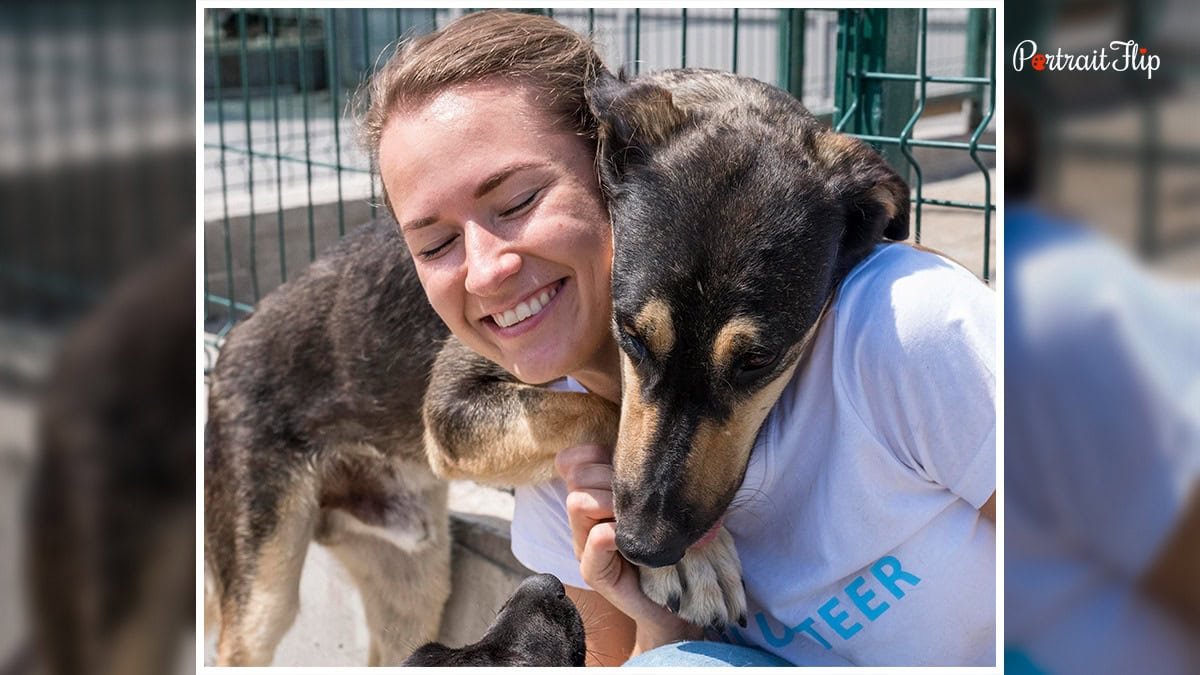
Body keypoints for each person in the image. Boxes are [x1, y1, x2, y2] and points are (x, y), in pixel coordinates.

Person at [360, 10, 996, 667]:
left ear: (607, 174)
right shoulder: (565, 455)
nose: (487, 270)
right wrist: (651, 613)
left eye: (520, 201)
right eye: (434, 243)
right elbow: (629, 660)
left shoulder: (903, 327)